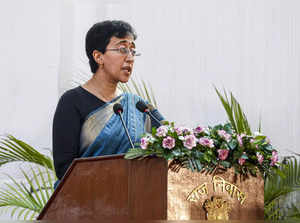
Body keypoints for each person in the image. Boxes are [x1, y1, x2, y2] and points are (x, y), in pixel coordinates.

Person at [53, 20, 163, 183]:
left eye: (133, 51)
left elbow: (173, 140)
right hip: (87, 201)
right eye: (122, 49)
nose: (130, 58)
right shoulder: (72, 102)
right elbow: (64, 169)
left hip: (135, 202)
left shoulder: (138, 106)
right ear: (98, 56)